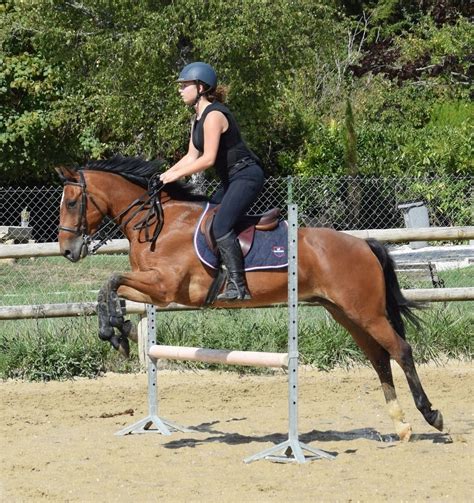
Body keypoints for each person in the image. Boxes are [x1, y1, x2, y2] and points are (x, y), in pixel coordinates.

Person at [160, 62, 265, 301]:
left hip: (247, 175)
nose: (180, 90)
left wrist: (176, 176)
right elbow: (191, 156)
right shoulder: (197, 118)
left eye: (184, 85)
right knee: (204, 217)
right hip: (231, 179)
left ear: (201, 87)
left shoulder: (214, 115)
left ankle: (239, 286)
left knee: (220, 225)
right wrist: (163, 176)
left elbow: (207, 159)